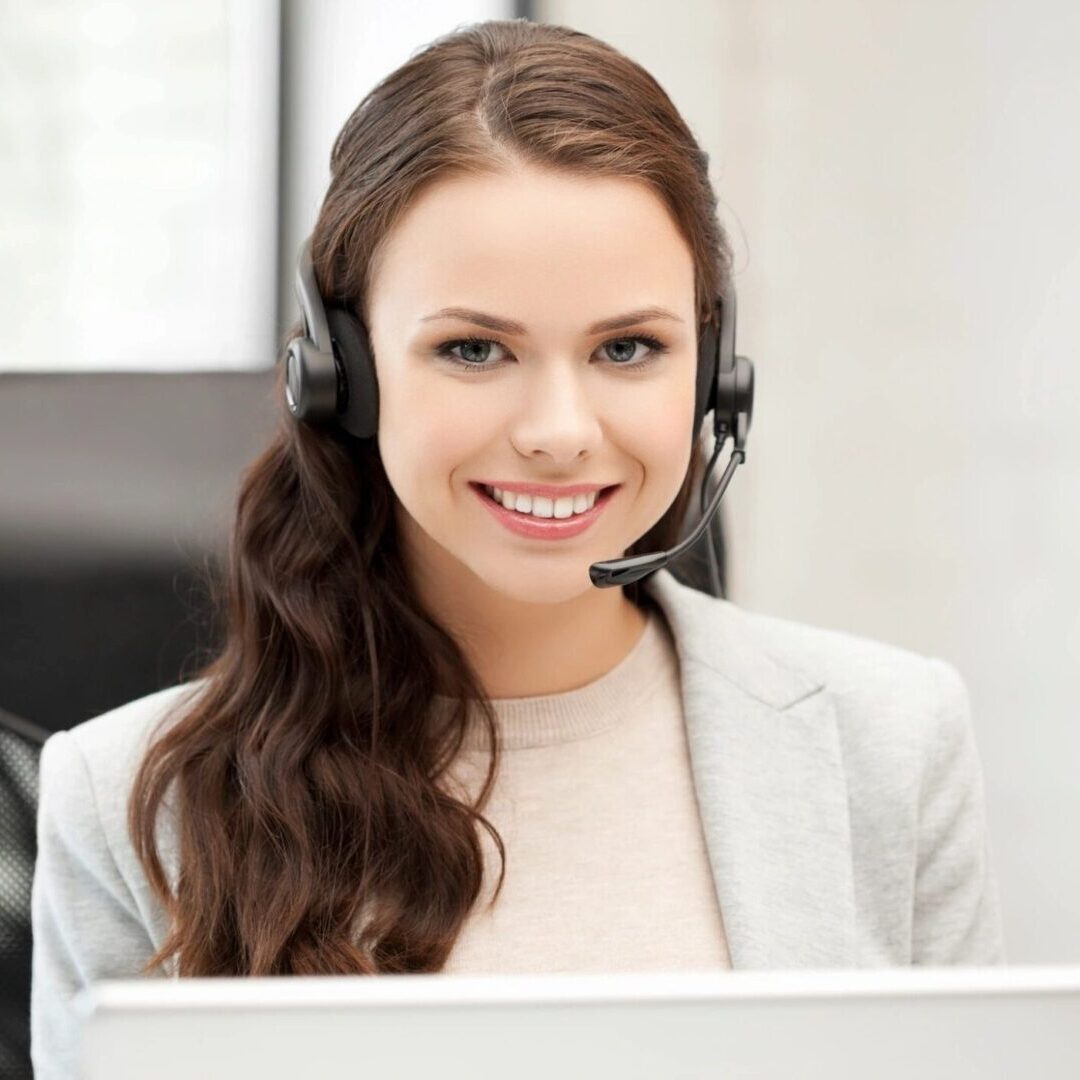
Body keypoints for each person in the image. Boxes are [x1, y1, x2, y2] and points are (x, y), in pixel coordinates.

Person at [29, 18, 1004, 1079]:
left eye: (628, 348)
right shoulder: (129, 799)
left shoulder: (891, 744)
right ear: (341, 373)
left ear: (716, 373)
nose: (559, 430)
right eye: (474, 349)